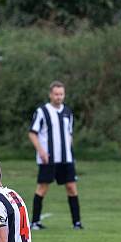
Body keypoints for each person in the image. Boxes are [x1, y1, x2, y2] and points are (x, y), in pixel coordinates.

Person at [27, 80, 83, 230]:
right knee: (42, 188)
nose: (59, 97)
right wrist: (41, 151)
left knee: (71, 187)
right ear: (50, 95)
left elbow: (69, 134)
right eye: (56, 94)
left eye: (61, 94)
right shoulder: (42, 112)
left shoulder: (67, 112)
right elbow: (32, 133)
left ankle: (77, 223)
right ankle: (35, 222)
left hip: (66, 159)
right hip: (48, 158)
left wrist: (70, 152)